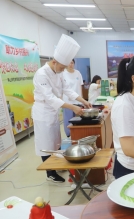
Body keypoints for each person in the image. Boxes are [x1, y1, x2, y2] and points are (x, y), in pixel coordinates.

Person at [32, 34, 91, 183]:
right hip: (43, 112)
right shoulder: (41, 74)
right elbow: (50, 98)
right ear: (54, 61)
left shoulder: (59, 72)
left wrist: (83, 100)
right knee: (46, 143)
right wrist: (72, 107)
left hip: (52, 112)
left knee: (55, 142)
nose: (64, 69)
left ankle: (55, 166)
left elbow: (68, 90)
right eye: (63, 66)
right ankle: (50, 173)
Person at [62, 59, 83, 137]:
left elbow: (80, 86)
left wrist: (82, 99)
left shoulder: (78, 73)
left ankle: (78, 135)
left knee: (78, 119)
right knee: (68, 119)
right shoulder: (63, 73)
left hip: (78, 101)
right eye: (69, 63)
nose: (70, 64)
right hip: (67, 101)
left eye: (72, 63)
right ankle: (69, 135)